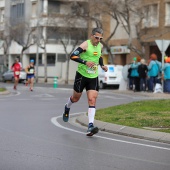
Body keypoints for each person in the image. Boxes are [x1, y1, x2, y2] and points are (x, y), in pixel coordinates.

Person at [62, 28, 108, 136]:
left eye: (100, 38)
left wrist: (102, 65)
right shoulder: (85, 45)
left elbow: (99, 56)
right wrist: (85, 62)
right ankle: (67, 107)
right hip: (82, 75)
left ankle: (90, 126)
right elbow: (73, 56)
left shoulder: (100, 46)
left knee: (92, 99)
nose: (98, 40)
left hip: (93, 76)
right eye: (96, 38)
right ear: (92, 36)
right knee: (75, 98)